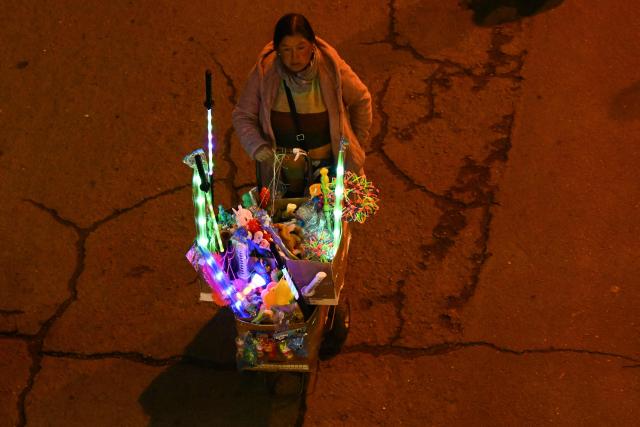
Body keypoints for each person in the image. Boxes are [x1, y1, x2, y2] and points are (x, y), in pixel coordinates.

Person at [232, 13, 372, 197]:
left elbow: (361, 100)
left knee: (332, 222)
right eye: (287, 49)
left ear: (312, 46)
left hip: (328, 169)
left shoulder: (330, 67)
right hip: (283, 173)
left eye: (301, 47)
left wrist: (355, 142)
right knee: (285, 224)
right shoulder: (265, 72)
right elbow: (243, 115)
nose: (295, 57)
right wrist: (256, 145)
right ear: (277, 50)